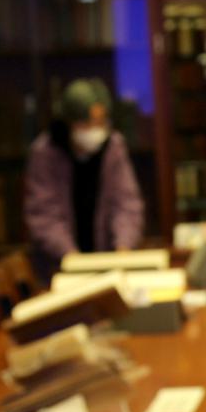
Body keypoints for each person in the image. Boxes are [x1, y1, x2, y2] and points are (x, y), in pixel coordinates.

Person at [23, 77, 146, 275]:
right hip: (59, 267)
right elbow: (43, 214)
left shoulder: (113, 147)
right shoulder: (45, 153)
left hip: (108, 263)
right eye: (86, 123)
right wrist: (72, 257)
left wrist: (123, 248)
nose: (94, 129)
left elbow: (126, 204)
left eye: (100, 122)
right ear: (68, 123)